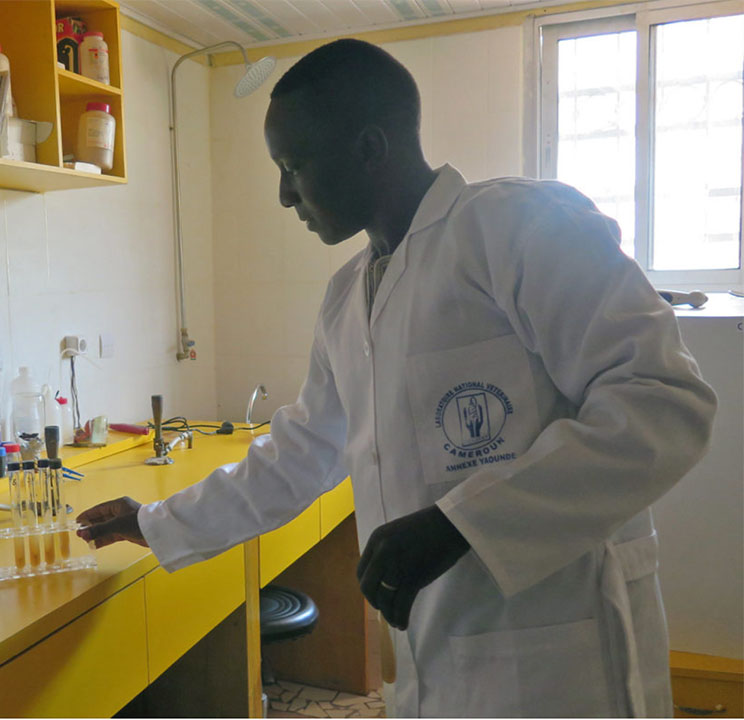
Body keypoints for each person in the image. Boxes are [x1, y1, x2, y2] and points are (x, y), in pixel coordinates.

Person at [77, 38, 717, 717]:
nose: (285, 194)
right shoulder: (348, 295)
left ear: (371, 148)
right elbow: (301, 453)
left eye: (295, 166)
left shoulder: (519, 227)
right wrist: (158, 520)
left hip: (559, 644)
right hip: (435, 652)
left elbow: (664, 403)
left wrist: (459, 525)